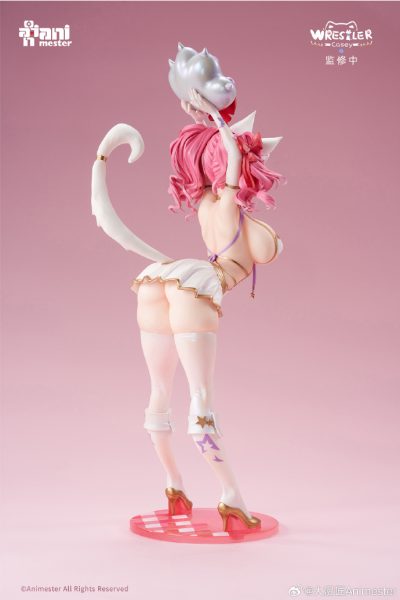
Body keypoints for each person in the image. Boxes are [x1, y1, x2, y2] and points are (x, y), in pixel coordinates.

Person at [126, 88, 285, 531]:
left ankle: (174, 487)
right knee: (201, 401)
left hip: (164, 279)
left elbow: (228, 156)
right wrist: (215, 116)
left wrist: (205, 119)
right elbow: (232, 158)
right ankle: (230, 496)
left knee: (159, 393)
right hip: (199, 284)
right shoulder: (228, 201)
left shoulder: (203, 204)